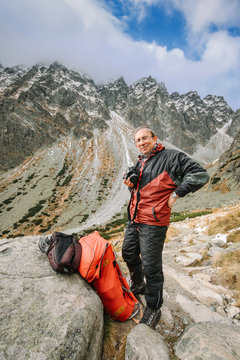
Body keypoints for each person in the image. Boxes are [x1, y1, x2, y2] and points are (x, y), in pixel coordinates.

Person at [122, 126, 210, 329]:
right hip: (135, 219)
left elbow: (200, 175)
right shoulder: (141, 161)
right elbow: (142, 190)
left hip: (154, 223)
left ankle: (154, 307)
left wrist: (177, 193)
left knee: (152, 266)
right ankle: (137, 285)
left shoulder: (171, 157)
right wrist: (130, 183)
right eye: (137, 140)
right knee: (128, 252)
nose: (141, 142)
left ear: (155, 139)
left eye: (145, 138)